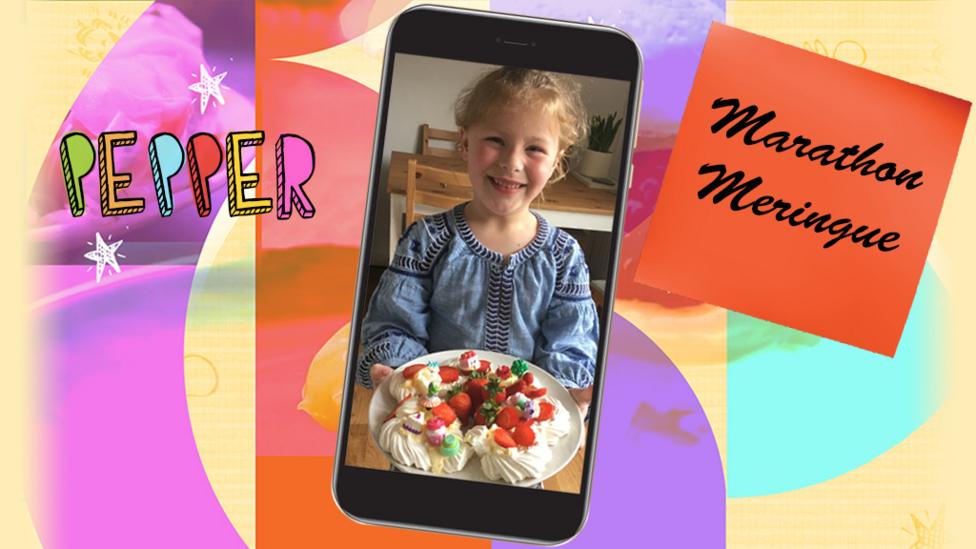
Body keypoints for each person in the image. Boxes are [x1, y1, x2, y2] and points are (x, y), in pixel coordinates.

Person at [359, 67, 597, 413]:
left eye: (534, 148)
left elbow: (570, 343)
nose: (511, 162)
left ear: (557, 162)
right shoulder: (426, 241)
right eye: (496, 140)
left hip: (519, 425)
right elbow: (395, 323)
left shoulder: (564, 258)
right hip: (434, 413)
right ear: (465, 143)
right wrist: (398, 370)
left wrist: (565, 391)